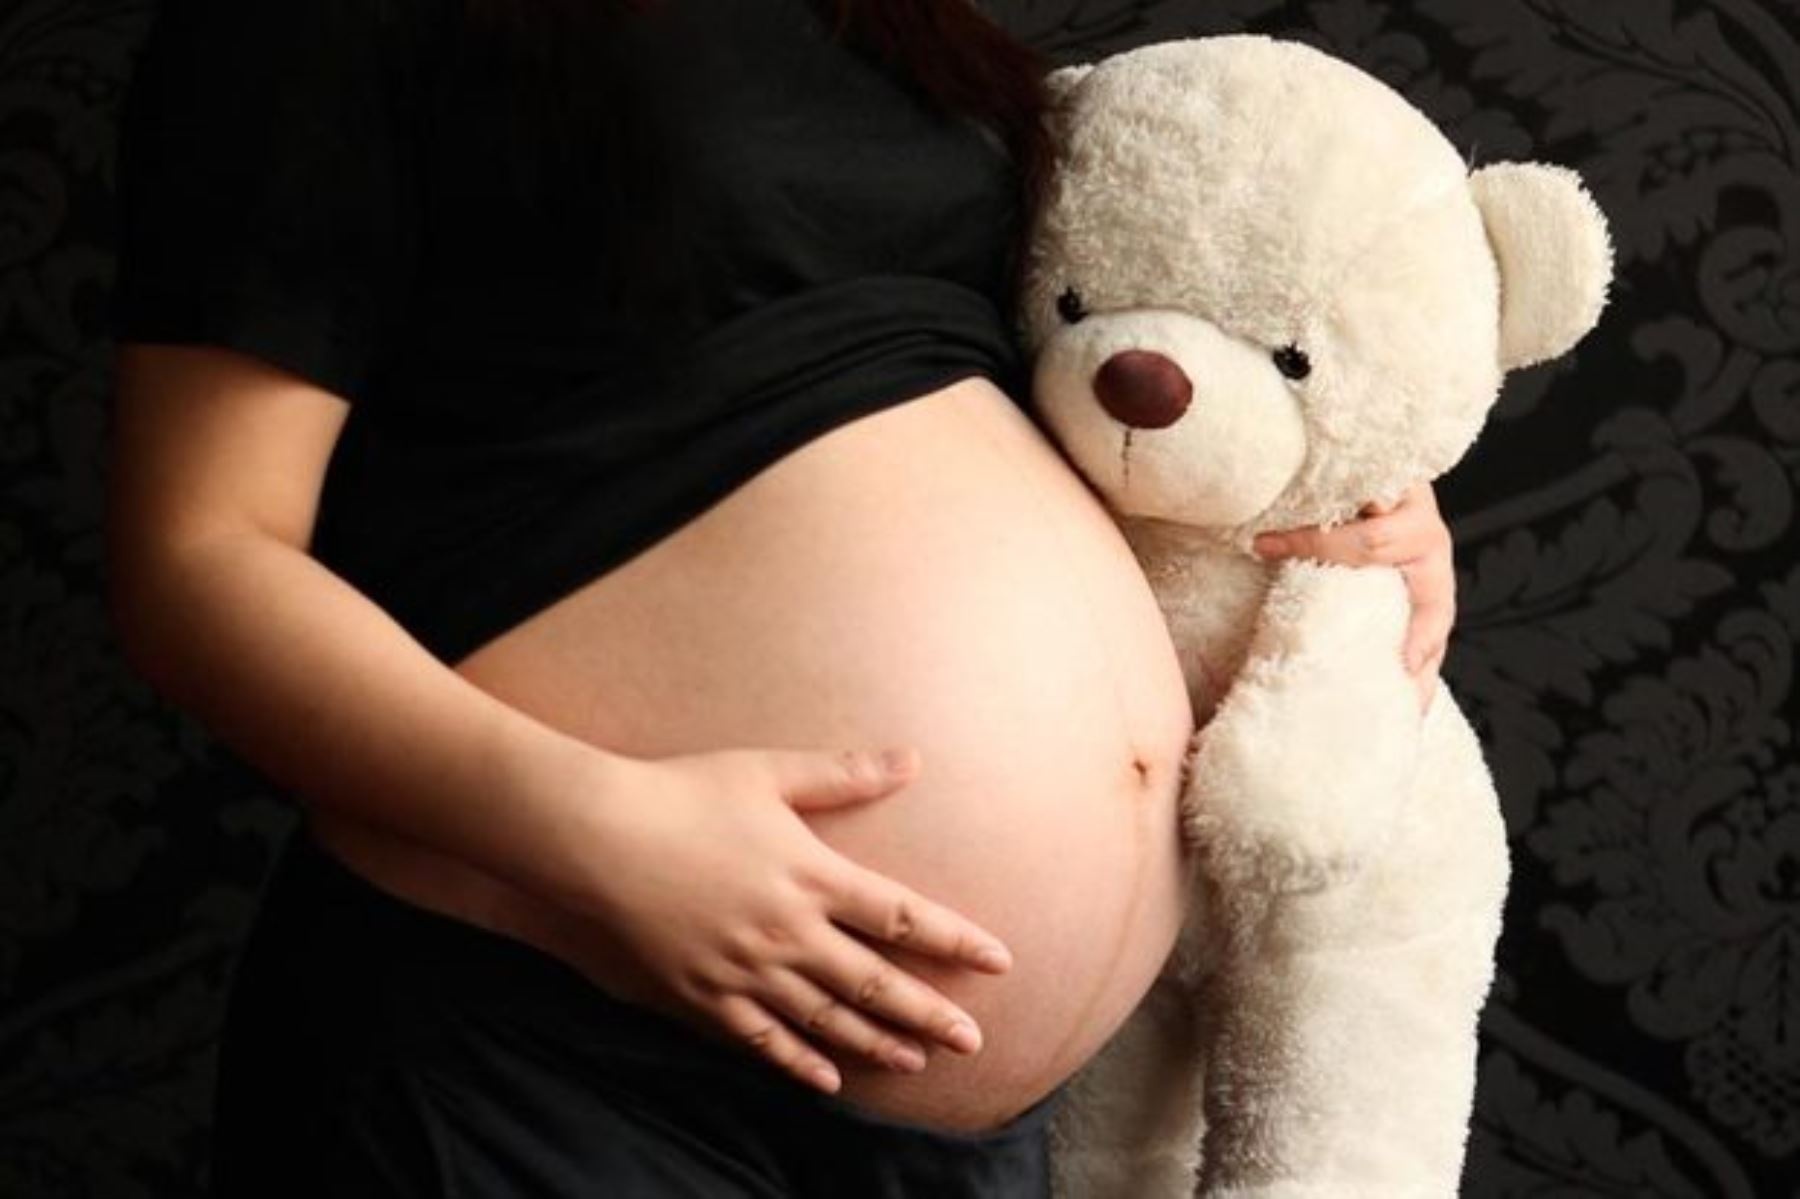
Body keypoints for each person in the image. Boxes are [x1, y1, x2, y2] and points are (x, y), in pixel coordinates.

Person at [103, 0, 1459, 1195]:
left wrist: (1352, 489)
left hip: (962, 1129)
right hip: (550, 1042)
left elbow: (1071, 356)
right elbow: (199, 558)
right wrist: (599, 833)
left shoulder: (881, 21)